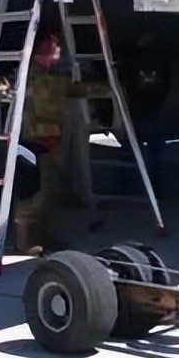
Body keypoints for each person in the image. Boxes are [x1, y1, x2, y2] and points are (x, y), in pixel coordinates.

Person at [13, 22, 110, 253]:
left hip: (45, 142)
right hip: (40, 142)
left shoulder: (44, 74)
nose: (57, 48)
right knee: (35, 197)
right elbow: (47, 105)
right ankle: (27, 243)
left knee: (48, 193)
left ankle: (41, 239)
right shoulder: (38, 75)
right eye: (52, 43)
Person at [122, 29, 172, 198]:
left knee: (142, 149)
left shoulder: (140, 57)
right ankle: (146, 188)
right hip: (145, 106)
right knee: (146, 149)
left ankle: (139, 187)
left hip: (146, 106)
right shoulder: (142, 57)